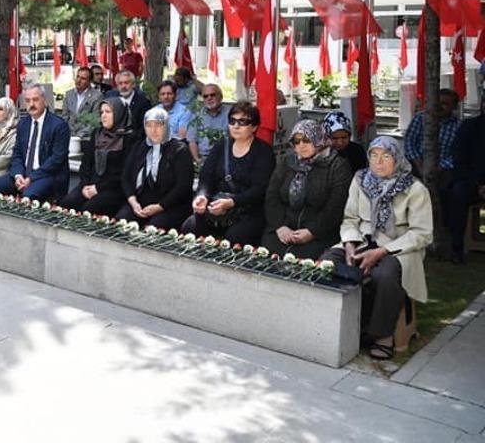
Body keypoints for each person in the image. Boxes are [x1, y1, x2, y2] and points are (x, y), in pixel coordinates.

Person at [323, 136, 433, 360]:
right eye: (373, 156)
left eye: (386, 156)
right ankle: (341, 326)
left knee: (385, 274)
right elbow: (350, 218)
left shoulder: (414, 189)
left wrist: (383, 251)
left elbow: (422, 234)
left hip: (400, 247)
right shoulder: (360, 180)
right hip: (362, 240)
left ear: (398, 159)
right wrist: (350, 245)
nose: (378, 162)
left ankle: (382, 335)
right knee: (328, 262)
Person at [183, 102, 276, 245]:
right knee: (190, 226)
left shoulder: (263, 152)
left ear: (254, 127)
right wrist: (202, 195)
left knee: (234, 238)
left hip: (248, 209)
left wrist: (232, 203)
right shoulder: (221, 146)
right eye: (232, 121)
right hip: (217, 204)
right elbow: (206, 178)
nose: (236, 126)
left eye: (243, 122)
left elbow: (259, 189)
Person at [261, 119, 353, 259]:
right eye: (296, 141)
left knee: (304, 264)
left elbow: (336, 206)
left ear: (318, 139)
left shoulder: (337, 166)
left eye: (306, 140)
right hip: (283, 228)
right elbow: (272, 195)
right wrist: (280, 226)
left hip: (320, 232)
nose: (301, 145)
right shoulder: (287, 161)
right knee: (267, 256)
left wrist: (312, 231)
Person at [0, 84, 71, 201]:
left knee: (28, 197)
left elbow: (56, 160)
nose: (31, 104)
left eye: (35, 100)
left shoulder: (59, 125)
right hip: (23, 173)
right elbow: (17, 154)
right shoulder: (23, 124)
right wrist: (18, 175)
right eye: (27, 100)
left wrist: (31, 178)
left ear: (44, 100)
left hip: (47, 176)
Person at [118, 107, 194, 228]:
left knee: (154, 228)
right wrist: (133, 201)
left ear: (166, 125)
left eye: (158, 125)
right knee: (122, 220)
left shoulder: (179, 150)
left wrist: (159, 207)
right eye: (148, 125)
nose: (153, 130)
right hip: (140, 202)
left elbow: (182, 186)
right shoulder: (140, 146)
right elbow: (125, 176)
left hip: (170, 205)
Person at [59, 98, 130, 216]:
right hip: (89, 184)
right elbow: (86, 163)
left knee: (90, 208)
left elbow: (124, 173)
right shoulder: (97, 133)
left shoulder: (128, 138)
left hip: (113, 188)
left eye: (108, 112)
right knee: (67, 203)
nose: (103, 116)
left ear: (118, 113)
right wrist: (85, 184)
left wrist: (97, 188)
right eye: (102, 112)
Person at [449, 93, 485, 264]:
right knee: (458, 193)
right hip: (472, 181)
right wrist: (478, 183)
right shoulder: (470, 126)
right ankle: (457, 247)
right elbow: (459, 159)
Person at [404, 88, 460, 180]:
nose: (439, 106)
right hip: (416, 164)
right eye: (437, 102)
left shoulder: (459, 126)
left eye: (444, 104)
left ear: (454, 107)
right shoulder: (420, 118)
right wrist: (420, 166)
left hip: (444, 170)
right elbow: (409, 142)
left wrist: (440, 168)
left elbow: (457, 153)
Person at [105, 70, 152, 145]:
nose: (123, 86)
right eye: (120, 83)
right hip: (112, 141)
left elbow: (144, 127)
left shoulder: (143, 102)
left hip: (135, 142)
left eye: (126, 83)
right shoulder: (111, 99)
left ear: (133, 85)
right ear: (117, 86)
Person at [187, 84, 229, 163]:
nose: (209, 98)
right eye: (205, 96)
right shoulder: (197, 115)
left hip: (224, 158)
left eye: (212, 95)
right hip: (203, 158)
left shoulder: (230, 114)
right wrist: (197, 160)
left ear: (220, 97)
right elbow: (192, 140)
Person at [62, 66, 104, 138]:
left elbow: (94, 121)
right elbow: (65, 117)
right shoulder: (69, 94)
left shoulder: (97, 96)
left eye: (83, 78)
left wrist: (79, 136)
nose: (78, 80)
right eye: (78, 77)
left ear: (89, 81)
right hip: (69, 135)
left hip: (86, 137)